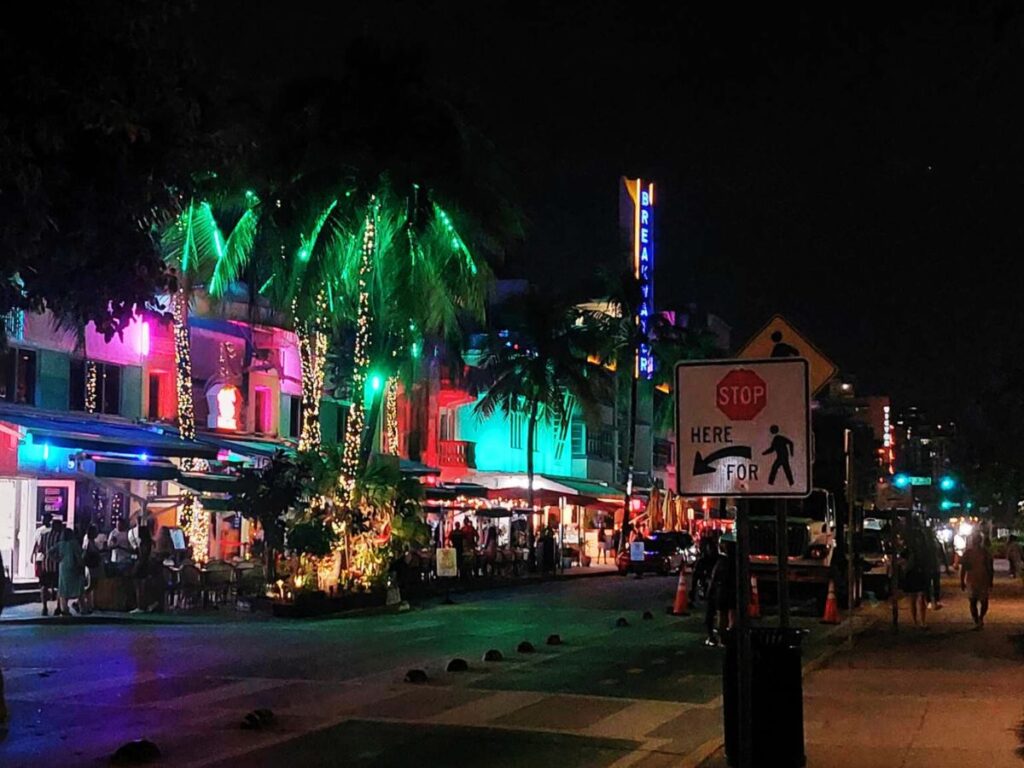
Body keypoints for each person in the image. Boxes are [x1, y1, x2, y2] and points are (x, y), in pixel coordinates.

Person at [960, 532, 994, 629]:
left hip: (981, 580)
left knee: (981, 602)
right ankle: (977, 620)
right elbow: (963, 568)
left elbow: (990, 568)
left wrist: (990, 581)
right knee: (974, 602)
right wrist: (962, 581)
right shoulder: (968, 553)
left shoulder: (985, 553)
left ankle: (979, 618)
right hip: (973, 580)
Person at [49, 527, 84, 616]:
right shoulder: (74, 544)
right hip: (74, 566)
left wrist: (57, 559)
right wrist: (81, 565)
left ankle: (64, 609)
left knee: (64, 588)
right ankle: (82, 607)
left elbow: (49, 552)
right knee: (78, 587)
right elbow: (79, 555)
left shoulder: (60, 544)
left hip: (63, 567)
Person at [903, 521, 931, 627]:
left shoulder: (922, 549)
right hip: (914, 573)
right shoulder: (910, 549)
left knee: (920, 597)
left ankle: (922, 621)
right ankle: (916, 621)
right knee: (914, 598)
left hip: (919, 573)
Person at [37, 519, 64, 616]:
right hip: (57, 566)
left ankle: (44, 607)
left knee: (44, 586)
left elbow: (40, 549)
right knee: (59, 587)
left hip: (46, 565)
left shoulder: (44, 536)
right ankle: (58, 607)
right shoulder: (61, 537)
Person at [81, 525, 103, 615]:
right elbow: (90, 554)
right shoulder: (89, 543)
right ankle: (82, 601)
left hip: (92, 566)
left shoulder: (91, 542)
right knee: (91, 585)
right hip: (91, 566)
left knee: (93, 585)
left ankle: (90, 604)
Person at [131, 524, 154, 614]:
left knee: (139, 586)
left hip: (141, 565)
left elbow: (142, 555)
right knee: (141, 586)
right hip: (144, 564)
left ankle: (140, 605)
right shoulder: (148, 543)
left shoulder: (143, 543)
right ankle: (142, 605)